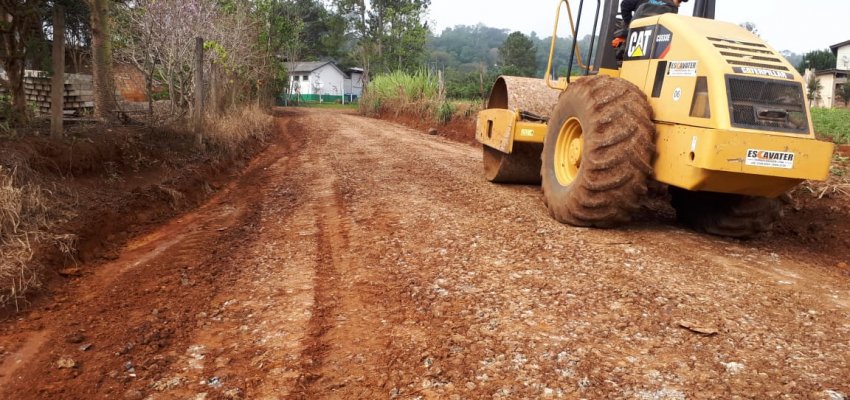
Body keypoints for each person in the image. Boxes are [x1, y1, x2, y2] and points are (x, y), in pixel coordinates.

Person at [612, 0, 687, 48]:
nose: (679, 5)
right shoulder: (672, 9)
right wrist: (630, 25)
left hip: (637, 39)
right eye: (679, 1)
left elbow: (625, 5)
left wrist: (631, 25)